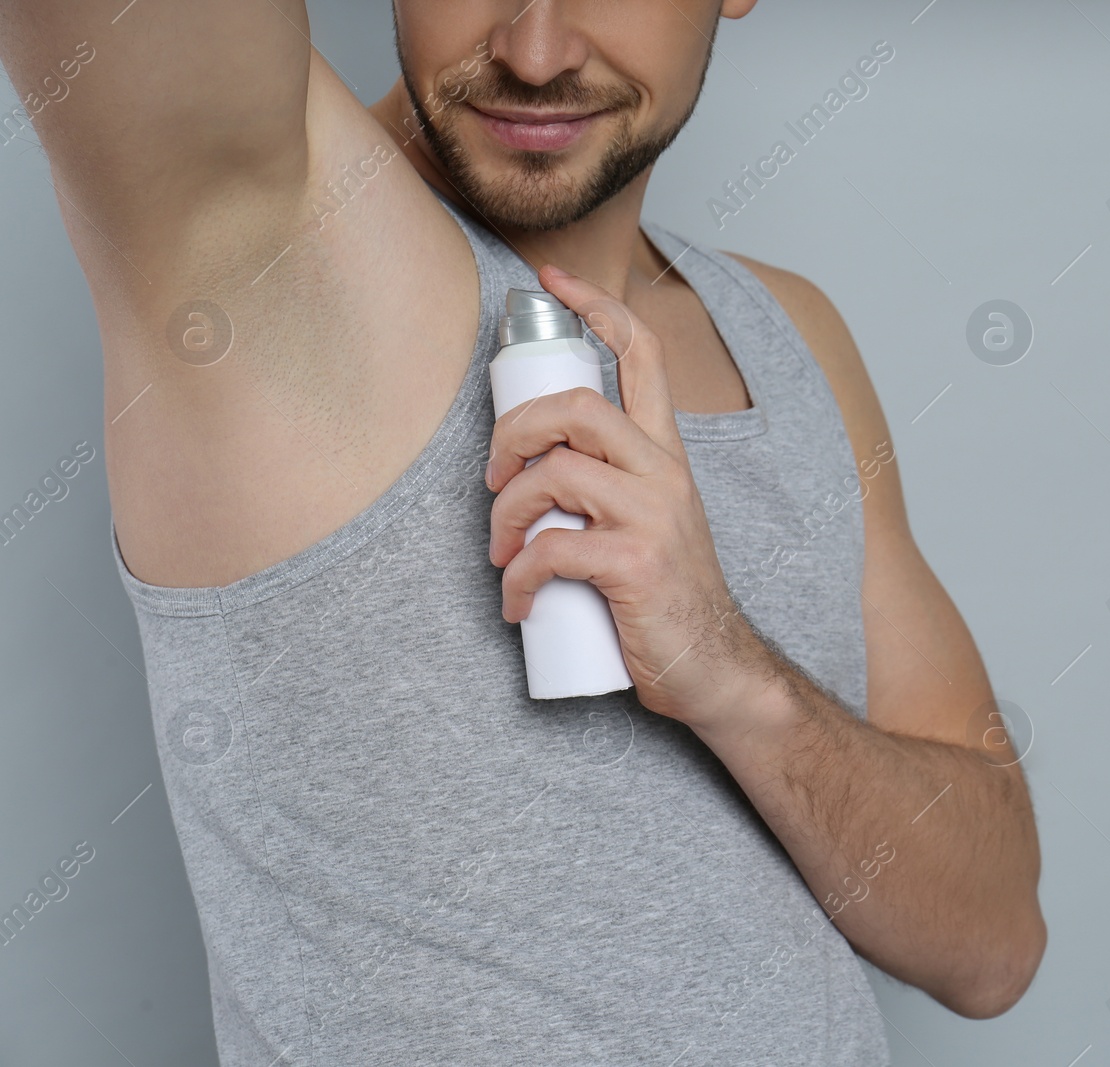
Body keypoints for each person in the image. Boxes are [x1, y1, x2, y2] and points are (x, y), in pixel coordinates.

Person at [1, 1, 1045, 1062]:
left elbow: (992, 941)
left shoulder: (785, 335)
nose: (533, 52)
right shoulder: (267, 251)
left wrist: (728, 671)